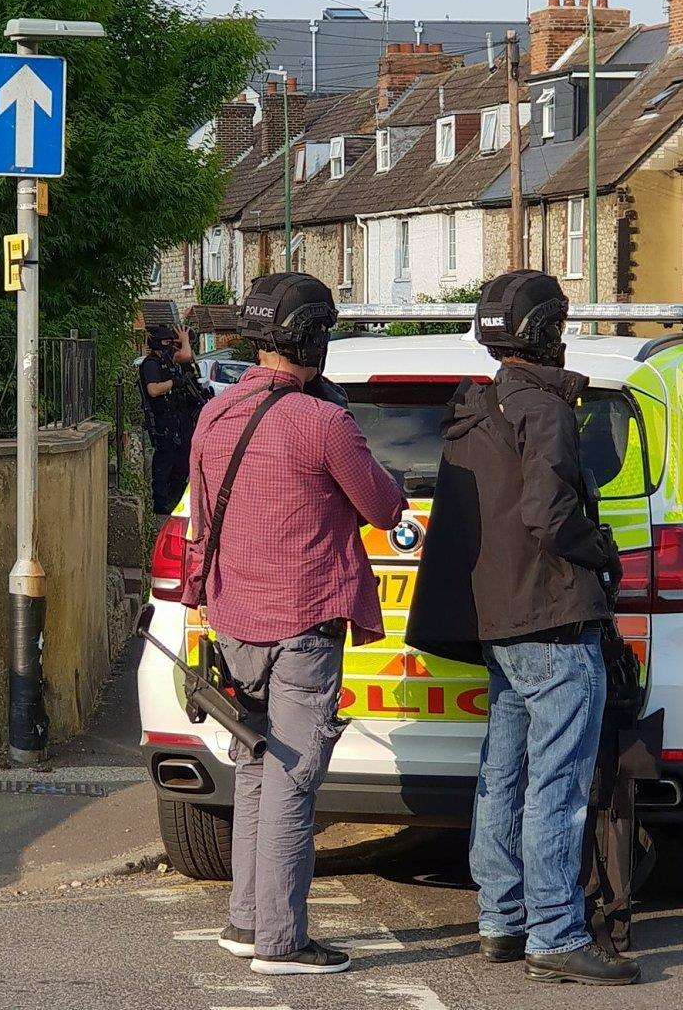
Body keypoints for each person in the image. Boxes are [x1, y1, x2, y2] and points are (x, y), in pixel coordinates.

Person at [406, 271, 638, 986]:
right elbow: (547, 517)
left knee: (501, 773)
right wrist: (601, 550)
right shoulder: (545, 410)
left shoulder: (475, 409)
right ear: (545, 330)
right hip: (551, 617)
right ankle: (555, 931)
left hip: (498, 621)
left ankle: (501, 920)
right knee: (557, 784)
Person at [186, 272, 406, 976]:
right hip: (304, 621)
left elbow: (197, 518)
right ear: (314, 339)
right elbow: (381, 508)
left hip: (233, 616)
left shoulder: (213, 414)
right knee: (293, 774)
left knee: (255, 761)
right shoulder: (324, 422)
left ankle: (247, 920)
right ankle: (281, 940)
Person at [138, 323, 209, 515]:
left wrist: (184, 342)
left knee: (182, 460)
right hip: (163, 421)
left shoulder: (169, 359)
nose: (171, 345)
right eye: (167, 342)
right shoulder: (152, 363)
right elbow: (153, 390)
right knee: (164, 461)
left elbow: (187, 357)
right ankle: (161, 506)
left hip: (178, 418)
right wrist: (173, 383)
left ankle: (175, 500)